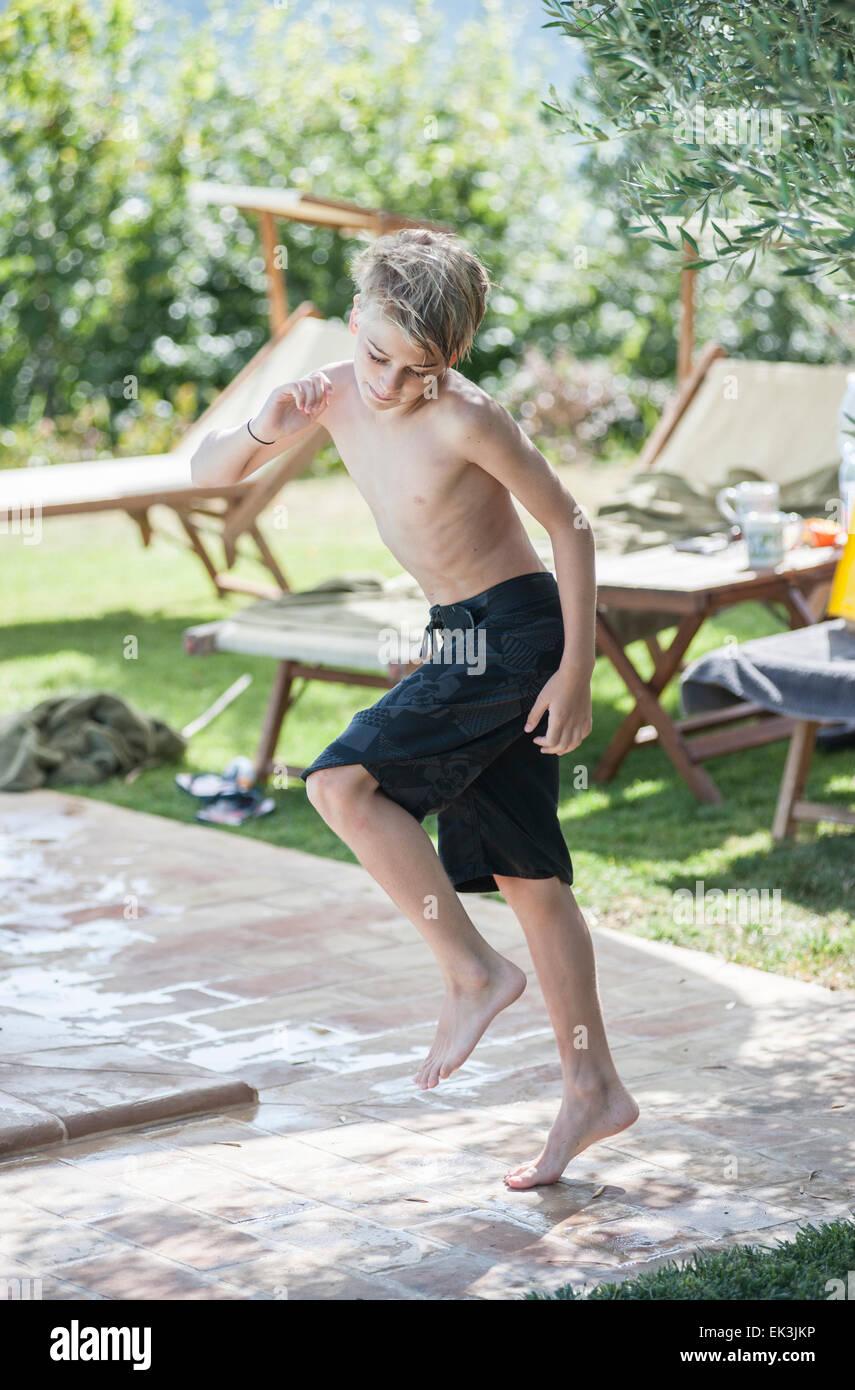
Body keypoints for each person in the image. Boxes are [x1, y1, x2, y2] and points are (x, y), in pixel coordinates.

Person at [190, 228, 638, 1188]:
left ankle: (472, 974)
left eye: (419, 369)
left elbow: (570, 522)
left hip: (512, 635)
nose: (391, 384)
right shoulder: (330, 390)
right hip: (461, 632)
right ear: (355, 323)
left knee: (341, 783)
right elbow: (206, 471)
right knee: (529, 877)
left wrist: (577, 671)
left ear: (453, 363)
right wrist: (268, 424)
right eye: (378, 356)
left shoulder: (468, 418)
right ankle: (593, 1086)